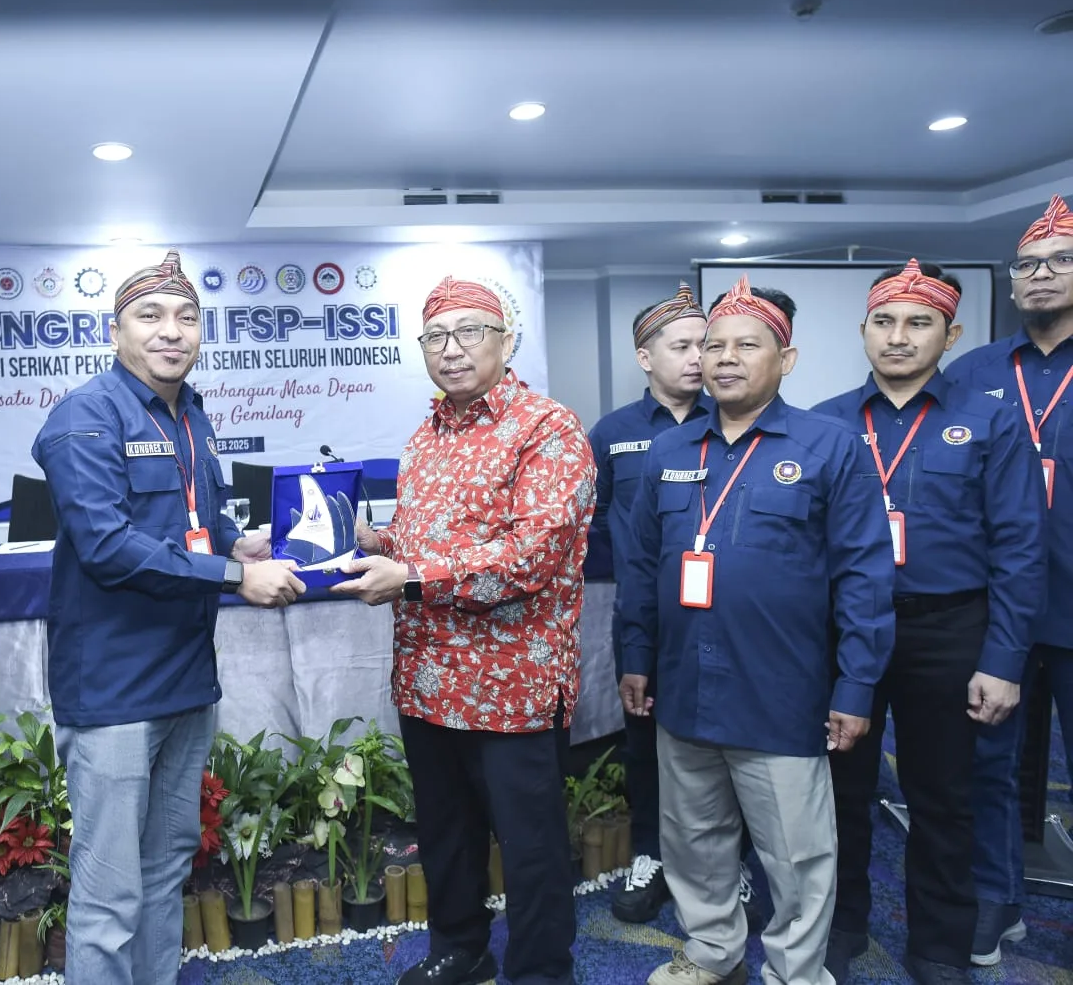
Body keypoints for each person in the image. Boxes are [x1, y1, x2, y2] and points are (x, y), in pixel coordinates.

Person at [31, 249, 304, 985]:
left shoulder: (193, 415)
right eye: (149, 315)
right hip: (115, 691)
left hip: (186, 681)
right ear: (114, 331)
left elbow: (195, 523)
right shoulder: (85, 416)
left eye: (187, 316)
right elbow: (107, 546)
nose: (171, 331)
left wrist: (237, 545)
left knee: (165, 869)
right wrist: (235, 576)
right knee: (110, 889)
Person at [620, 277, 895, 985]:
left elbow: (864, 577)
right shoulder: (670, 451)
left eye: (747, 345)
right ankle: (713, 951)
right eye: (714, 345)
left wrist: (857, 685)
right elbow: (641, 566)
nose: (724, 358)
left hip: (780, 689)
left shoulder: (830, 447)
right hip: (684, 683)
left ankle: (797, 970)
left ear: (787, 359)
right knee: (693, 837)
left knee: (797, 852)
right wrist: (635, 656)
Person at [334, 275, 593, 985]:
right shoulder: (426, 436)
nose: (451, 350)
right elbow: (430, 543)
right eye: (436, 337)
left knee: (531, 846)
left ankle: (542, 972)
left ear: (506, 342)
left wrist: (412, 577)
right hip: (428, 679)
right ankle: (461, 948)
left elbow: (532, 555)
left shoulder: (547, 428)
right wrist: (382, 545)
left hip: (512, 686)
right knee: (446, 832)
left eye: (470, 332)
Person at [813, 260, 1045, 984]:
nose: (899, 337)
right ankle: (840, 923)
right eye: (884, 322)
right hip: (845, 632)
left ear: (953, 334)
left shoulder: (991, 419)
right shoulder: (824, 423)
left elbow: (1020, 545)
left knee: (944, 795)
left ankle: (940, 943)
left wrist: (1003, 659)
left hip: (949, 629)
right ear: (863, 330)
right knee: (839, 789)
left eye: (919, 323)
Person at [590, 284, 764, 926]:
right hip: (649, 619)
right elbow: (595, 524)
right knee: (646, 742)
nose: (699, 358)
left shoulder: (741, 421)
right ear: (645, 357)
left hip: (731, 620)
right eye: (684, 346)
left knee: (732, 743)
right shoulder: (613, 433)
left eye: (705, 345)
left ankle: (731, 860)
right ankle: (651, 853)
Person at [944, 194, 1073, 966]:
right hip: (995, 610)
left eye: (1061, 260)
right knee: (988, 764)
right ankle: (997, 898)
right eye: (1028, 264)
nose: (1042, 274)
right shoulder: (974, 372)